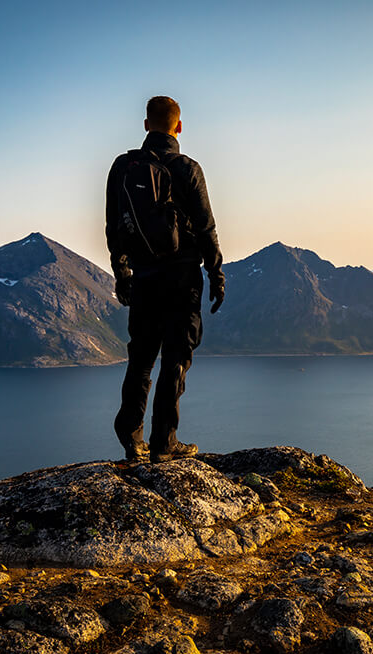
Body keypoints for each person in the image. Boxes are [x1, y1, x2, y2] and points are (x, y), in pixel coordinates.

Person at [105, 95, 225, 462]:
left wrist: (121, 271)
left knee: (141, 358)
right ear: (179, 126)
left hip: (142, 277)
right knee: (176, 356)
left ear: (145, 125)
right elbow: (206, 228)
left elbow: (113, 226)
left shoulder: (123, 167)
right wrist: (216, 272)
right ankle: (164, 443)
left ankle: (131, 439)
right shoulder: (187, 168)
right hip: (182, 278)